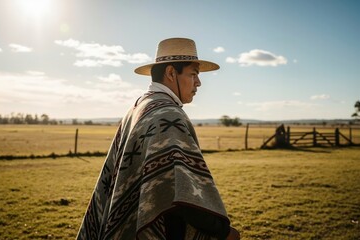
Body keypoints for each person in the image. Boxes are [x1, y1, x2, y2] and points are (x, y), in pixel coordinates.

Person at [77, 38, 240, 240]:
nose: (198, 82)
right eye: (193, 74)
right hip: (165, 227)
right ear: (171, 73)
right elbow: (183, 193)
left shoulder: (140, 106)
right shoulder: (168, 114)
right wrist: (222, 232)